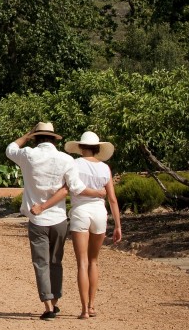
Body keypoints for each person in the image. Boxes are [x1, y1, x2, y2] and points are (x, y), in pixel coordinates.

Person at [6, 122, 106, 321]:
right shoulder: (66, 159)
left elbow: (10, 149)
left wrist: (26, 135)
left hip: (37, 219)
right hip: (59, 218)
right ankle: (56, 299)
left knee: (41, 263)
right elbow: (75, 187)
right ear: (54, 139)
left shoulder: (28, 155)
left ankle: (48, 306)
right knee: (55, 261)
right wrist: (97, 193)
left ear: (36, 138)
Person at [31, 131, 122, 320]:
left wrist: (44, 204)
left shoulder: (74, 164)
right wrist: (118, 225)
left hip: (81, 212)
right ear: (97, 148)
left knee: (82, 262)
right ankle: (92, 305)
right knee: (94, 261)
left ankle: (84, 310)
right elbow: (112, 199)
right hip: (99, 213)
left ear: (80, 147)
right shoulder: (105, 168)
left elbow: (66, 189)